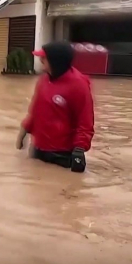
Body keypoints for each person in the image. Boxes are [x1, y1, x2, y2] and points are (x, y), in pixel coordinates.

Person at [16, 41, 94, 173]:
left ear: (56, 61)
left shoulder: (79, 85)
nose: (40, 60)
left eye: (44, 58)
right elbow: (35, 110)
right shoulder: (43, 80)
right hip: (38, 149)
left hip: (62, 154)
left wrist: (79, 149)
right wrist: (24, 130)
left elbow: (85, 121)